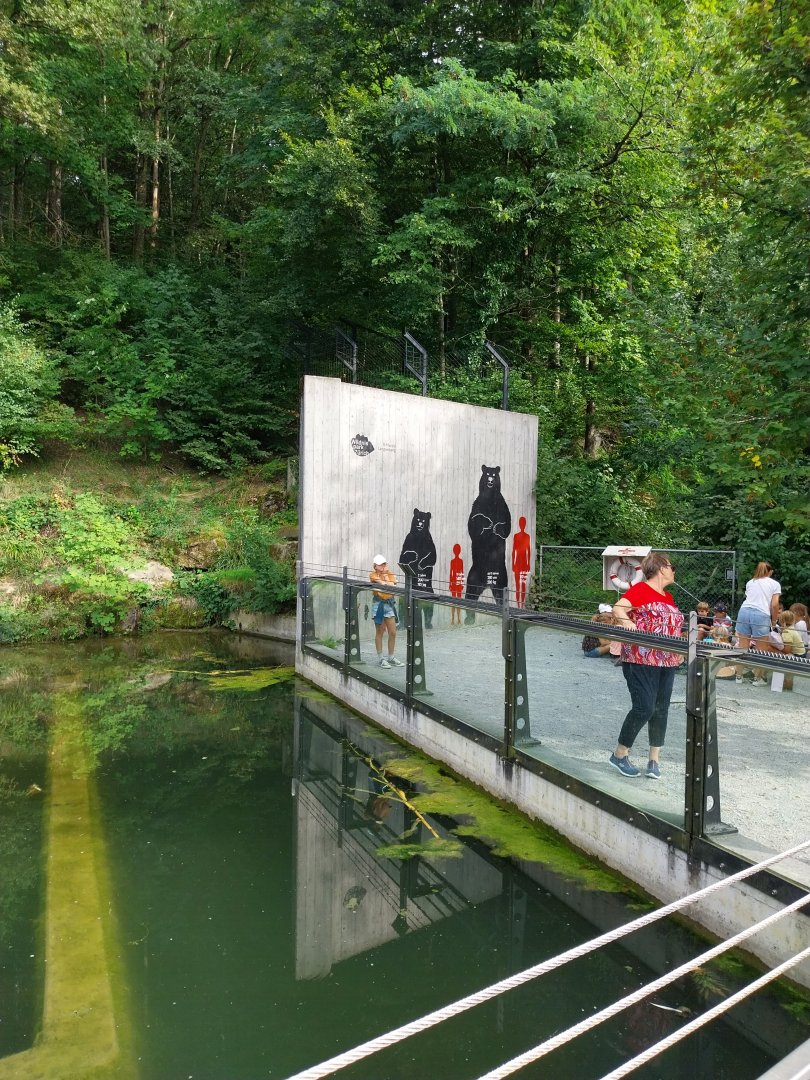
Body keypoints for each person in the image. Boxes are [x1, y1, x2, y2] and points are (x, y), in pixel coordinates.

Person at [609, 553, 684, 780]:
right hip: (640, 659)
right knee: (644, 707)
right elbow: (618, 608)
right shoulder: (641, 589)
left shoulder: (668, 596)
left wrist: (678, 650)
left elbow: (670, 627)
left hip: (666, 661)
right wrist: (628, 623)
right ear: (661, 568)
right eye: (672, 566)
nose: (674, 571)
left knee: (661, 708)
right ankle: (620, 754)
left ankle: (654, 760)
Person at [734, 562, 781, 686]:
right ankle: (757, 679)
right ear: (770, 572)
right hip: (761, 614)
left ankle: (738, 676)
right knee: (761, 649)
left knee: (742, 646)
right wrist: (774, 621)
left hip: (744, 611)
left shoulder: (751, 582)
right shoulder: (775, 584)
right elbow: (775, 605)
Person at [369, 556, 404, 669]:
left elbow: (392, 586)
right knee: (380, 631)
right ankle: (381, 658)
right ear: (375, 566)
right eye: (380, 564)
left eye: (384, 564)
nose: (383, 566)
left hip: (389, 604)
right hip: (378, 604)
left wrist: (385, 576)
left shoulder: (390, 574)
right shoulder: (372, 575)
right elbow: (381, 584)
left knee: (393, 632)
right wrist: (384, 579)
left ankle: (391, 657)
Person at [449, 543, 464, 625]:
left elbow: (461, 573)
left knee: (456, 601)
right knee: (456, 601)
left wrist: (461, 583)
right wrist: (461, 583)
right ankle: (455, 619)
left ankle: (456, 619)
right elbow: (460, 573)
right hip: (456, 582)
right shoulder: (455, 561)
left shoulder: (457, 561)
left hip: (456, 582)